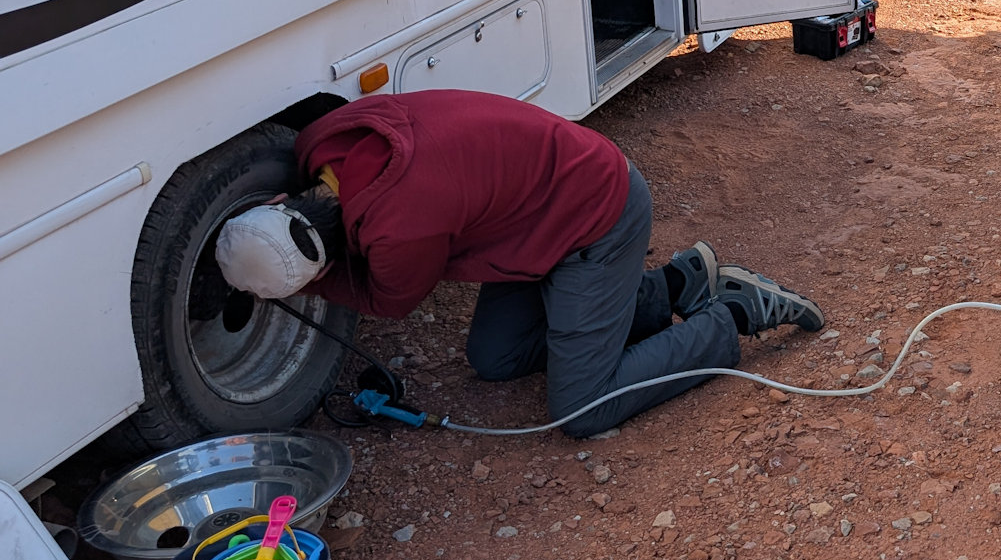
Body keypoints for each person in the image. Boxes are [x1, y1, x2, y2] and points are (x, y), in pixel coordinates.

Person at [212, 88, 821, 436]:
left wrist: (319, 287)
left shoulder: (399, 225)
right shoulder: (325, 140)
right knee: (495, 359)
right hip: (539, 218)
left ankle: (731, 314)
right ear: (280, 201)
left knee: (584, 407)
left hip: (595, 216)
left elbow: (389, 299)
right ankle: (677, 284)